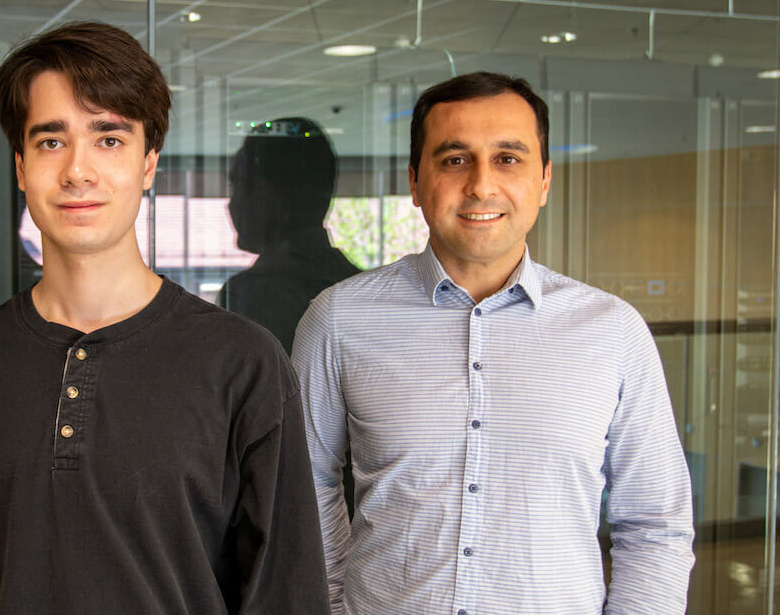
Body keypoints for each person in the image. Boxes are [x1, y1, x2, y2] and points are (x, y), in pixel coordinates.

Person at [0, 21, 329, 614]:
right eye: (51, 141)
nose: (78, 169)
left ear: (148, 164)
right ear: (21, 168)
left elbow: (286, 595)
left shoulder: (243, 364)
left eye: (109, 139)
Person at [293, 72, 695, 615]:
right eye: (455, 159)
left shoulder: (614, 332)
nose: (482, 185)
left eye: (508, 158)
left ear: (545, 180)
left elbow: (656, 523)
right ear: (415, 182)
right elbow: (304, 489)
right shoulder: (338, 319)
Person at [218, 117, 360, 354]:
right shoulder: (359, 287)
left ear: (266, 196)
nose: (231, 204)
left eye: (238, 187)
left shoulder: (250, 294)